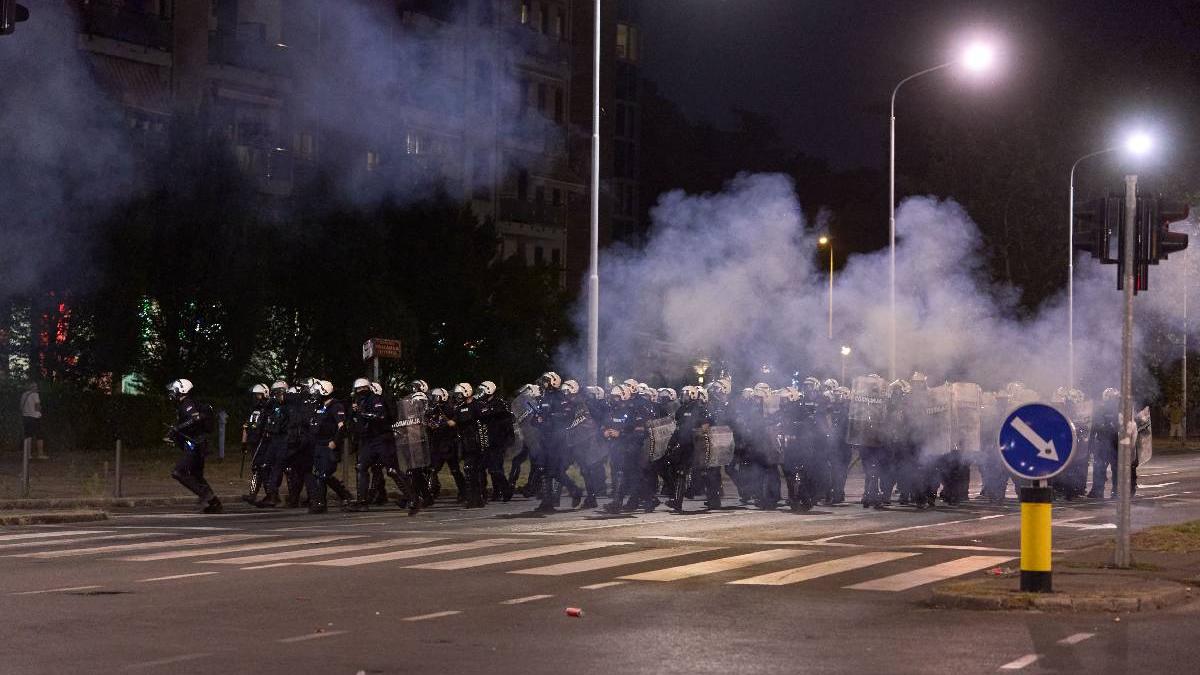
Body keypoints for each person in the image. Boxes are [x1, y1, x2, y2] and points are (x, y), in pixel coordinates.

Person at [164, 379, 221, 513]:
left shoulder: (187, 404)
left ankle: (205, 495)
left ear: (182, 390)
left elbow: (194, 420)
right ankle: (215, 503)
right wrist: (173, 434)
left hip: (195, 444)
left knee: (178, 472)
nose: (172, 393)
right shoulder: (183, 405)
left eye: (175, 390)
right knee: (196, 475)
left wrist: (177, 429)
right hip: (195, 444)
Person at [305, 380, 355, 513]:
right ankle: (341, 496)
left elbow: (341, 427)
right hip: (318, 444)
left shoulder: (336, 406)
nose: (315, 394)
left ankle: (322, 503)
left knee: (324, 474)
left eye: (317, 391)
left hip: (328, 445)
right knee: (319, 474)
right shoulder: (320, 406)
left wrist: (334, 442)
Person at [475, 380, 515, 502]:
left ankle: (505, 490)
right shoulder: (481, 404)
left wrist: (507, 440)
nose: (480, 393)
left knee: (495, 469)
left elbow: (507, 421)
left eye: (482, 390)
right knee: (481, 468)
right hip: (485, 441)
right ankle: (484, 493)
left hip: (497, 442)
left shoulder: (499, 404)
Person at [240, 383, 271, 504]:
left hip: (264, 442)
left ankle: (271, 494)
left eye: (258, 395)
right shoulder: (253, 410)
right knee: (256, 468)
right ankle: (253, 494)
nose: (256, 398)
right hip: (254, 441)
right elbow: (246, 426)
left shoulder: (268, 409)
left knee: (262, 468)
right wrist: (244, 442)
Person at [19, 381, 46, 460]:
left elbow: (20, 407)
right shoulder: (35, 394)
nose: (36, 388)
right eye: (35, 386)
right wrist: (40, 410)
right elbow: (37, 407)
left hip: (26, 417)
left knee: (28, 436)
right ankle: (40, 454)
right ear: (32, 387)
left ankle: (28, 455)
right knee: (39, 435)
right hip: (35, 417)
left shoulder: (24, 395)